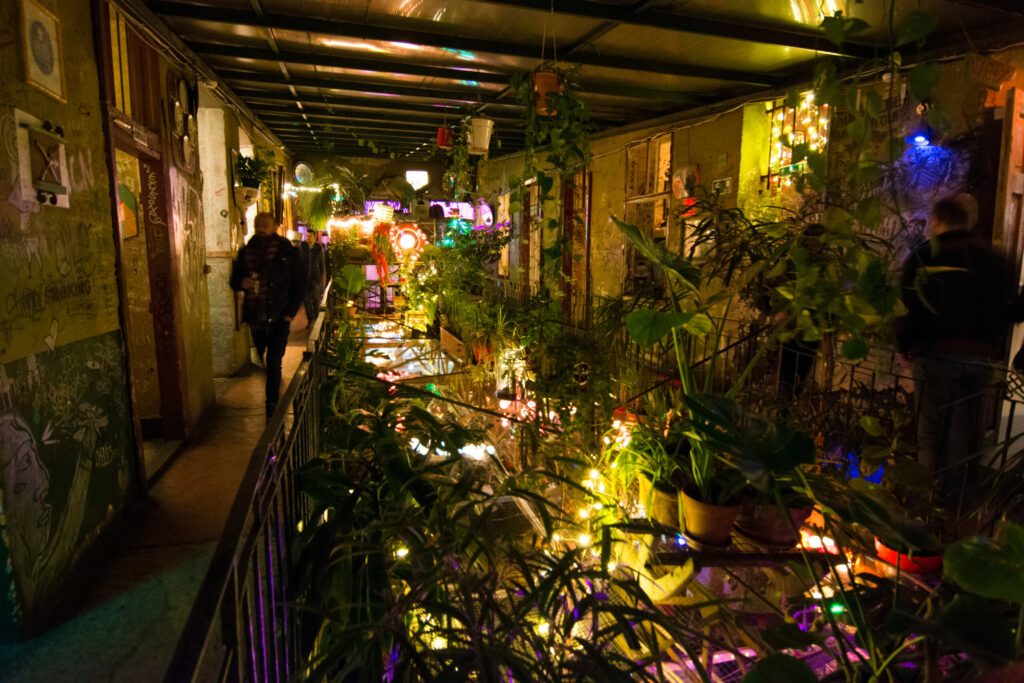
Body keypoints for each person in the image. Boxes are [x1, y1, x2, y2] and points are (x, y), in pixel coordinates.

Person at [896, 194, 1009, 525]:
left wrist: (905, 346)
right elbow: (1007, 306)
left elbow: (909, 306)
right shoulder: (993, 259)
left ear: (936, 220)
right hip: (979, 357)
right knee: (965, 434)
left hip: (936, 353)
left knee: (930, 431)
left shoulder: (925, 256)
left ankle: (926, 505)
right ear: (969, 220)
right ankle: (959, 509)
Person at [230, 212, 305, 417]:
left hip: (279, 315)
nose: (261, 227)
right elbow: (234, 280)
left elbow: (299, 283)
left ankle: (271, 404)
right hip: (256, 316)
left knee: (274, 361)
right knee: (263, 354)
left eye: (265, 224)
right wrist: (242, 282)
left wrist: (290, 313)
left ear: (274, 227)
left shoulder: (287, 251)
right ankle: (271, 390)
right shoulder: (246, 251)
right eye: (258, 224)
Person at [299, 229, 327, 327]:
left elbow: (322, 264)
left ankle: (317, 318)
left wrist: (323, 278)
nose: (308, 238)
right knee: (306, 300)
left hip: (315, 278)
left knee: (316, 299)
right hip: (304, 278)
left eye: (310, 236)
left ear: (314, 237)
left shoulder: (319, 248)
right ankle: (310, 319)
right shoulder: (302, 247)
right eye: (306, 236)